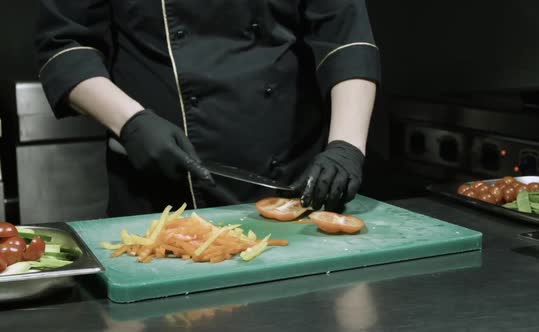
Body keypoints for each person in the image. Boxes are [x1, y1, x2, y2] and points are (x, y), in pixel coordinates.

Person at [35, 0, 380, 217]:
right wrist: (130, 121)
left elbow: (346, 35)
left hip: (292, 181)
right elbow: (66, 46)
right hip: (163, 191)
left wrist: (346, 146)